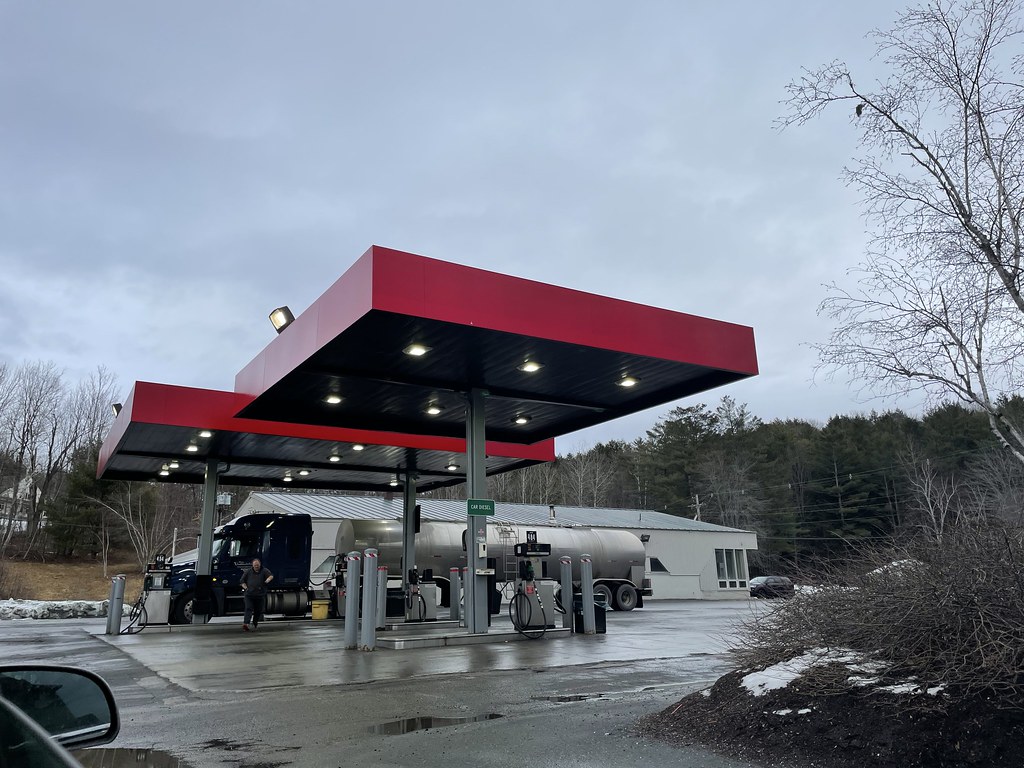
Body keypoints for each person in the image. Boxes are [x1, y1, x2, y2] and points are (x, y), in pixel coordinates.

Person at [240, 558, 274, 631]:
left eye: (257, 565)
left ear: (260, 565)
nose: (256, 567)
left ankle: (255, 622)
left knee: (258, 610)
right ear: (253, 565)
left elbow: (271, 576)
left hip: (260, 595)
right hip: (249, 594)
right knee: (248, 608)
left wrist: (267, 580)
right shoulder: (248, 571)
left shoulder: (264, 570)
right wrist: (246, 588)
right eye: (255, 565)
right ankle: (246, 624)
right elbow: (242, 581)